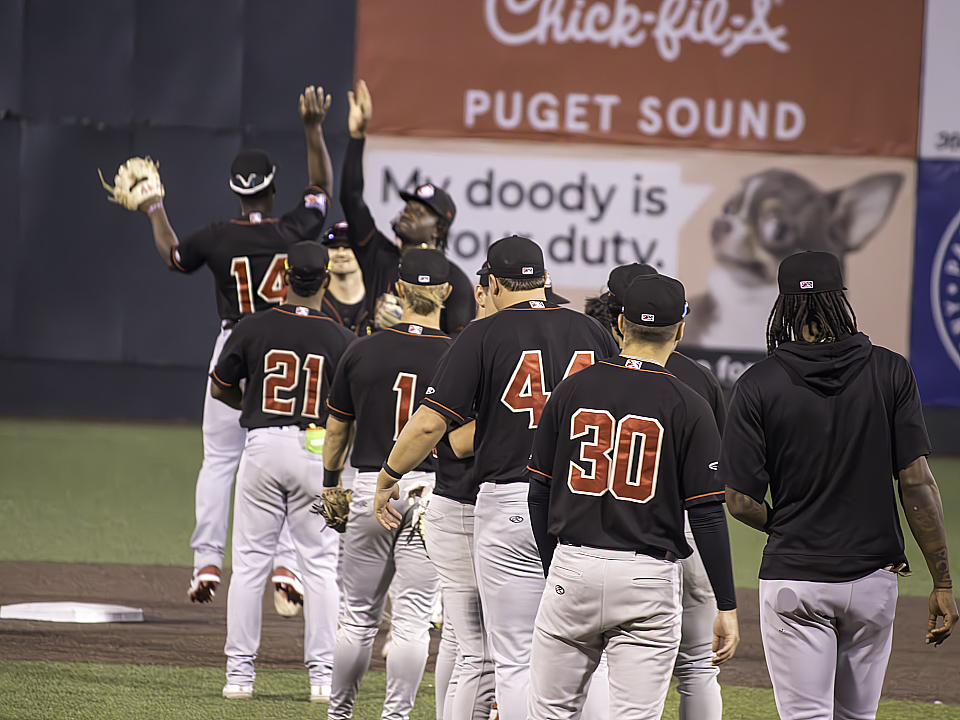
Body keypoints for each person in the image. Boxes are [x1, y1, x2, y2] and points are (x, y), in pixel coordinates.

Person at [372, 235, 620, 720]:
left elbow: (430, 424)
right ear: (545, 280)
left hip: (510, 502)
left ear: (492, 283)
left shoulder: (483, 335)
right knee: (590, 655)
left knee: (510, 657)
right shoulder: (592, 332)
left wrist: (388, 473)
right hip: (584, 504)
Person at [719, 251, 959, 720]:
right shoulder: (891, 371)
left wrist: (790, 526)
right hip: (873, 577)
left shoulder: (757, 383)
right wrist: (943, 581)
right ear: (841, 299)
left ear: (783, 305)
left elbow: (741, 503)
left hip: (794, 578)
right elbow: (917, 484)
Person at [138, 85, 334, 611]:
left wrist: (155, 207)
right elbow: (320, 186)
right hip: (287, 344)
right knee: (296, 448)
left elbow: (174, 257)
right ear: (272, 190)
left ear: (236, 191)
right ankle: (288, 562)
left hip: (234, 343)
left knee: (220, 458)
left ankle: (206, 558)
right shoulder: (294, 227)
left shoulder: (216, 235)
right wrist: (313, 129)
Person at [526, 274, 740, 719]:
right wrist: (726, 603)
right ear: (681, 329)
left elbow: (539, 492)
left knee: (548, 712)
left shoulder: (572, 388)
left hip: (574, 564)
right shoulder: (690, 402)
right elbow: (706, 516)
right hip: (647, 575)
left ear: (619, 323)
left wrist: (555, 568)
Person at [208, 241, 356, 702]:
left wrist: (251, 404)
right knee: (320, 567)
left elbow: (220, 389)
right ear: (326, 280)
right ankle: (322, 678)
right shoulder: (341, 337)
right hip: (318, 452)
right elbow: (352, 411)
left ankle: (239, 676)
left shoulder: (254, 325)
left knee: (251, 566)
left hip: (263, 447)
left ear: (284, 278)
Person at [585, 262, 727, 719]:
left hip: (609, 532)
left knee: (602, 664)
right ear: (677, 322)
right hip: (688, 527)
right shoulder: (701, 379)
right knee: (698, 667)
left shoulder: (590, 373)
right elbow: (715, 477)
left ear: (618, 314)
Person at [322, 249, 453, 720]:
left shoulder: (361, 349)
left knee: (357, 617)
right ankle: (395, 717)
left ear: (400, 291)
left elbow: (336, 432)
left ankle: (339, 714)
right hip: (431, 494)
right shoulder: (458, 355)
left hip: (367, 486)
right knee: (414, 622)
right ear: (447, 293)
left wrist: (330, 486)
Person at [340, 79, 475, 335]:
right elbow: (351, 198)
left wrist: (411, 327)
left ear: (438, 228)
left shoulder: (454, 280)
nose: (407, 213)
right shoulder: (378, 256)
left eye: (419, 212)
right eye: (407, 207)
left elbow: (459, 347)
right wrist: (357, 137)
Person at [319, 221, 371, 335]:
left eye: (348, 247)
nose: (341, 253)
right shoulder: (315, 300)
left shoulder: (377, 298)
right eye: (334, 247)